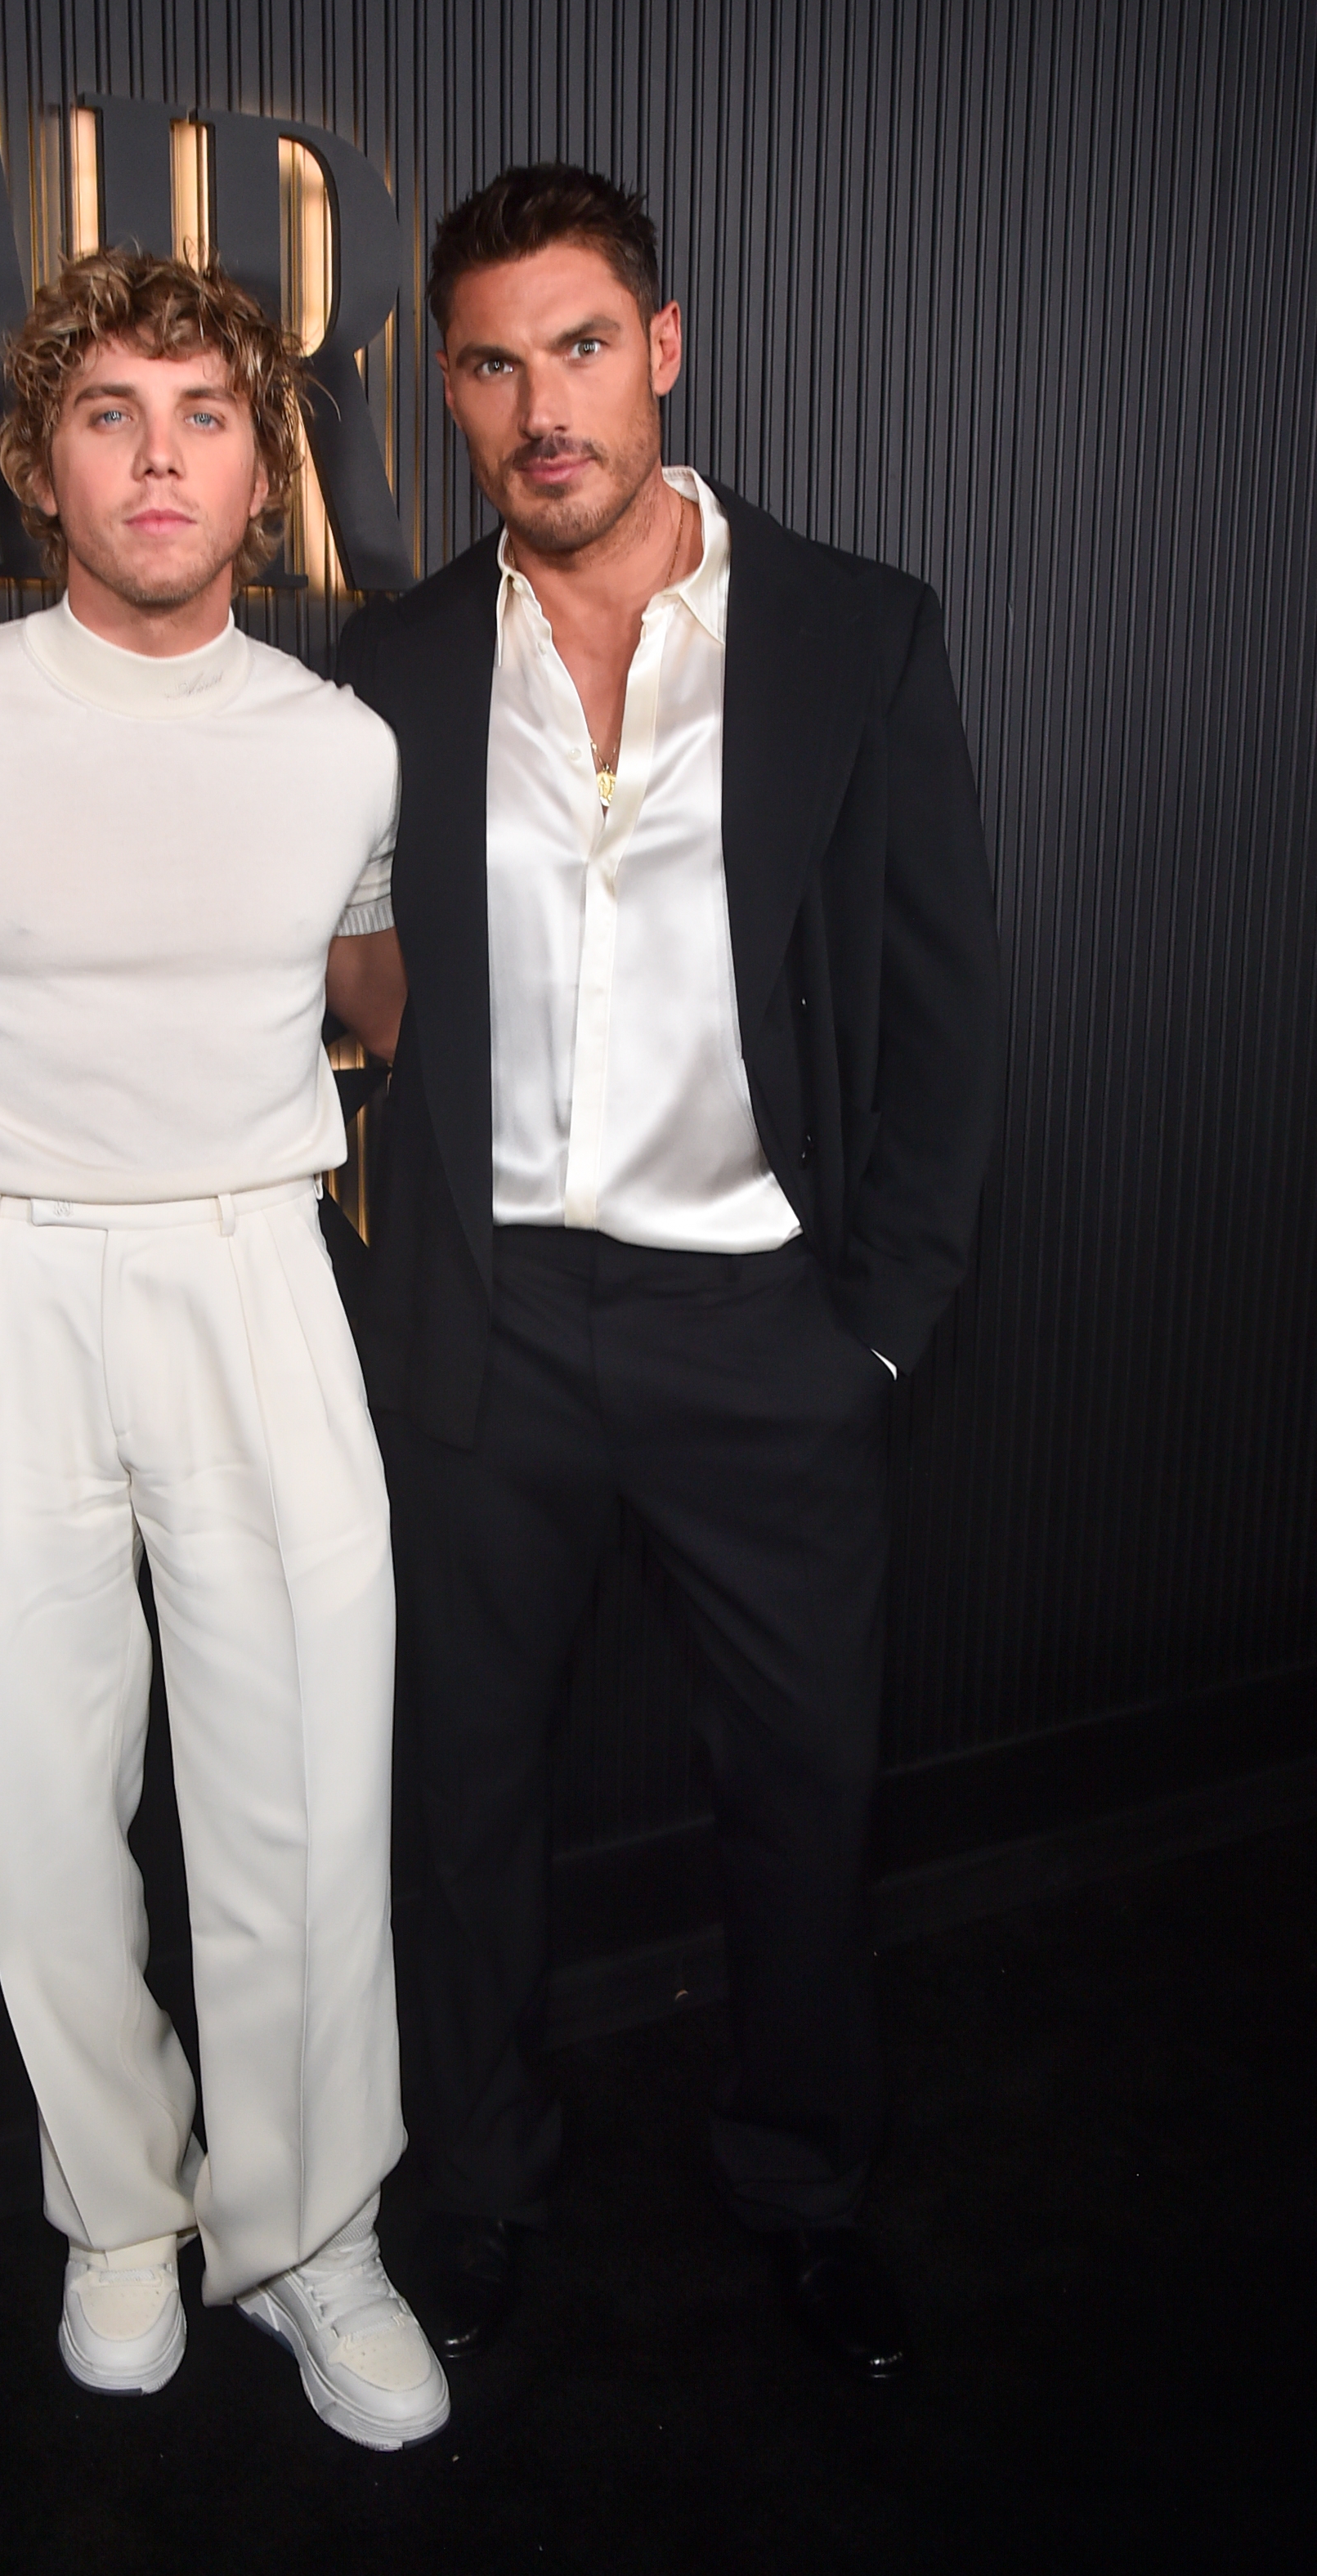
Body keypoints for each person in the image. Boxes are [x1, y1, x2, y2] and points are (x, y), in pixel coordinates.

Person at [336, 164, 1002, 2381]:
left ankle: (804, 2186)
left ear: (665, 346)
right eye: (495, 364)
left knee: (801, 1798)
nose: (544, 405)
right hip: (493, 1329)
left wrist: (872, 1328)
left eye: (582, 346)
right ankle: (480, 2190)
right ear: (452, 391)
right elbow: (340, 977)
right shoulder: (397, 666)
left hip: (762, 1329)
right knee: (462, 1809)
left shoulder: (855, 629)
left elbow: (942, 1016)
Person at [0, 248, 446, 2452]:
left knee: (301, 1784)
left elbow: (386, 1010)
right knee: (42, 1802)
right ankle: (120, 2210)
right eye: (111, 414)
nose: (158, 453)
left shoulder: (345, 743)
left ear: (259, 469)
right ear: (42, 468)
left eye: (201, 410)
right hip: (9, 1280)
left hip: (258, 1265)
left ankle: (308, 2228)